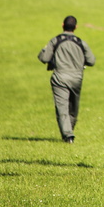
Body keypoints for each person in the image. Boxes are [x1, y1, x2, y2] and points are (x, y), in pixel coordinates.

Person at [38, 15, 96, 143]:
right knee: (73, 107)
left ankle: (68, 135)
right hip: (77, 78)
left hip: (60, 77)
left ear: (63, 25)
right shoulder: (80, 42)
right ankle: (69, 130)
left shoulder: (55, 40)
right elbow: (91, 61)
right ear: (76, 27)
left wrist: (44, 49)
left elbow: (44, 58)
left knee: (62, 107)